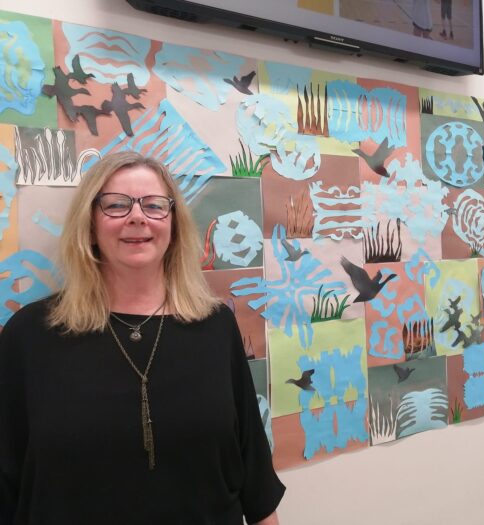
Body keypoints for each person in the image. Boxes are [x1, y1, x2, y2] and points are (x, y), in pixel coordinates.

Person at [0, 151, 285, 525]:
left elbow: (255, 479)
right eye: (116, 205)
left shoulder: (216, 326)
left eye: (154, 205)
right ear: (89, 224)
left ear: (174, 225)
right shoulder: (30, 335)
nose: (137, 216)